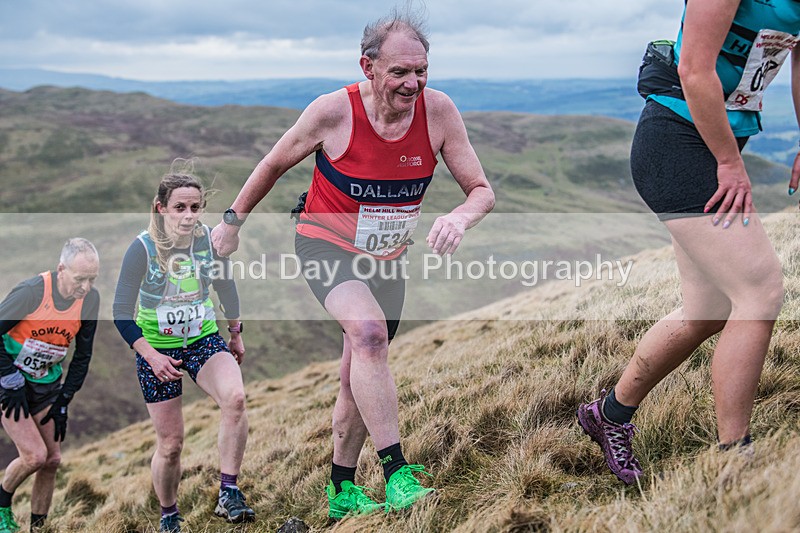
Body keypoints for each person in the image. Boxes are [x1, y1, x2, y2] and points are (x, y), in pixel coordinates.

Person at [212, 8, 494, 519]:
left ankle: (341, 489)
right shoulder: (332, 112)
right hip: (326, 245)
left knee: (359, 372)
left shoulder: (439, 112)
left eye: (421, 70)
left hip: (388, 258)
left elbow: (481, 190)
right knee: (368, 334)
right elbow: (273, 164)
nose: (413, 83)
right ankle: (397, 474)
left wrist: (460, 217)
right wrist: (231, 223)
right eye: (400, 72)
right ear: (368, 66)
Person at [577, 0, 800, 484]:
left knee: (707, 311)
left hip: (719, 142)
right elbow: (694, 68)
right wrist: (730, 163)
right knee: (759, 292)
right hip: (676, 142)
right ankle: (735, 461)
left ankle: (608, 414)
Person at [113, 169, 254, 532]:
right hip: (157, 350)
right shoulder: (142, 249)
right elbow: (120, 313)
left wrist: (235, 333)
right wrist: (151, 356)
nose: (189, 215)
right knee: (171, 444)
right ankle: (169, 514)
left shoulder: (209, 242)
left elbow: (226, 286)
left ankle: (228, 492)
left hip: (202, 340)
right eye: (180, 208)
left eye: (195, 207)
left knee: (236, 399)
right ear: (161, 208)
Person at [0, 238, 100, 533]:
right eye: (80, 279)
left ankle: (39, 528)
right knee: (34, 456)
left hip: (46, 384)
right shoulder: (32, 292)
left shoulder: (89, 300)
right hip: (9, 383)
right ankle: (1, 506)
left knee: (52, 460)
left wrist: (65, 397)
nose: (85, 287)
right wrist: (10, 378)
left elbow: (83, 354)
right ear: (61, 269)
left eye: (92, 279)